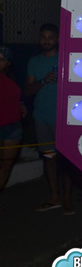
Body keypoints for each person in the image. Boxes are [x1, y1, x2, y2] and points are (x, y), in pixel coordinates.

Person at [25, 24, 74, 215]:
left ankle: (68, 200)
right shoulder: (34, 61)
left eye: (51, 37)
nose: (46, 41)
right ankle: (54, 197)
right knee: (48, 158)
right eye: (43, 37)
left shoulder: (66, 59)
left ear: (58, 39)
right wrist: (43, 81)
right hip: (41, 117)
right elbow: (28, 90)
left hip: (63, 118)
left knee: (67, 161)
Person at [0, 45, 25, 210]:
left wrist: (21, 106)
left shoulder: (11, 78)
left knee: (6, 165)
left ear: (8, 63)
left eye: (2, 59)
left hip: (13, 127)